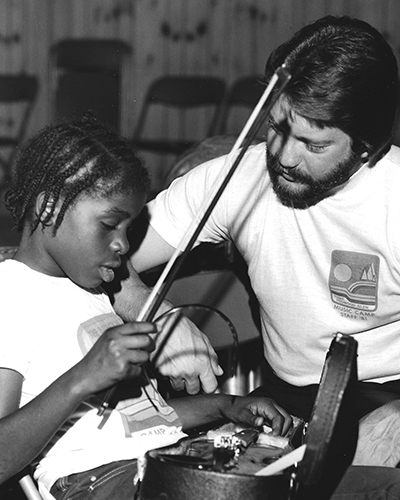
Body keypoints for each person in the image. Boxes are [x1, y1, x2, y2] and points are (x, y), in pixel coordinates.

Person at [111, 14, 400, 488]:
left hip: (385, 394)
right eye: (278, 126)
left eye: (313, 143)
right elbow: (100, 258)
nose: (285, 157)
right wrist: (156, 315)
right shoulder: (235, 179)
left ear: (366, 148)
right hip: (284, 399)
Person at [0, 115, 293, 500]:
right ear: (49, 208)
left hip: (160, 457)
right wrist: (85, 376)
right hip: (100, 478)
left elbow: (143, 419)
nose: (124, 246)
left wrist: (228, 405)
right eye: (109, 225)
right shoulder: (11, 293)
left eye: (129, 229)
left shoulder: (95, 291)